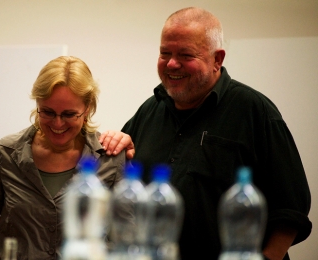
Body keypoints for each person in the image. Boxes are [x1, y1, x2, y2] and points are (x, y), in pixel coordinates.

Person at [100, 7, 312, 260]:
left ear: (217, 59)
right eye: (164, 53)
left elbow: (291, 209)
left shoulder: (254, 111)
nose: (171, 63)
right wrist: (119, 144)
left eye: (185, 55)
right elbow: (121, 188)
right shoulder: (149, 110)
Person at [0, 56, 126, 260]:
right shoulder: (5, 153)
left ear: (87, 109)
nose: (57, 124)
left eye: (68, 114)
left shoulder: (110, 159)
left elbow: (125, 238)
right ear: (37, 104)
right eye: (47, 112)